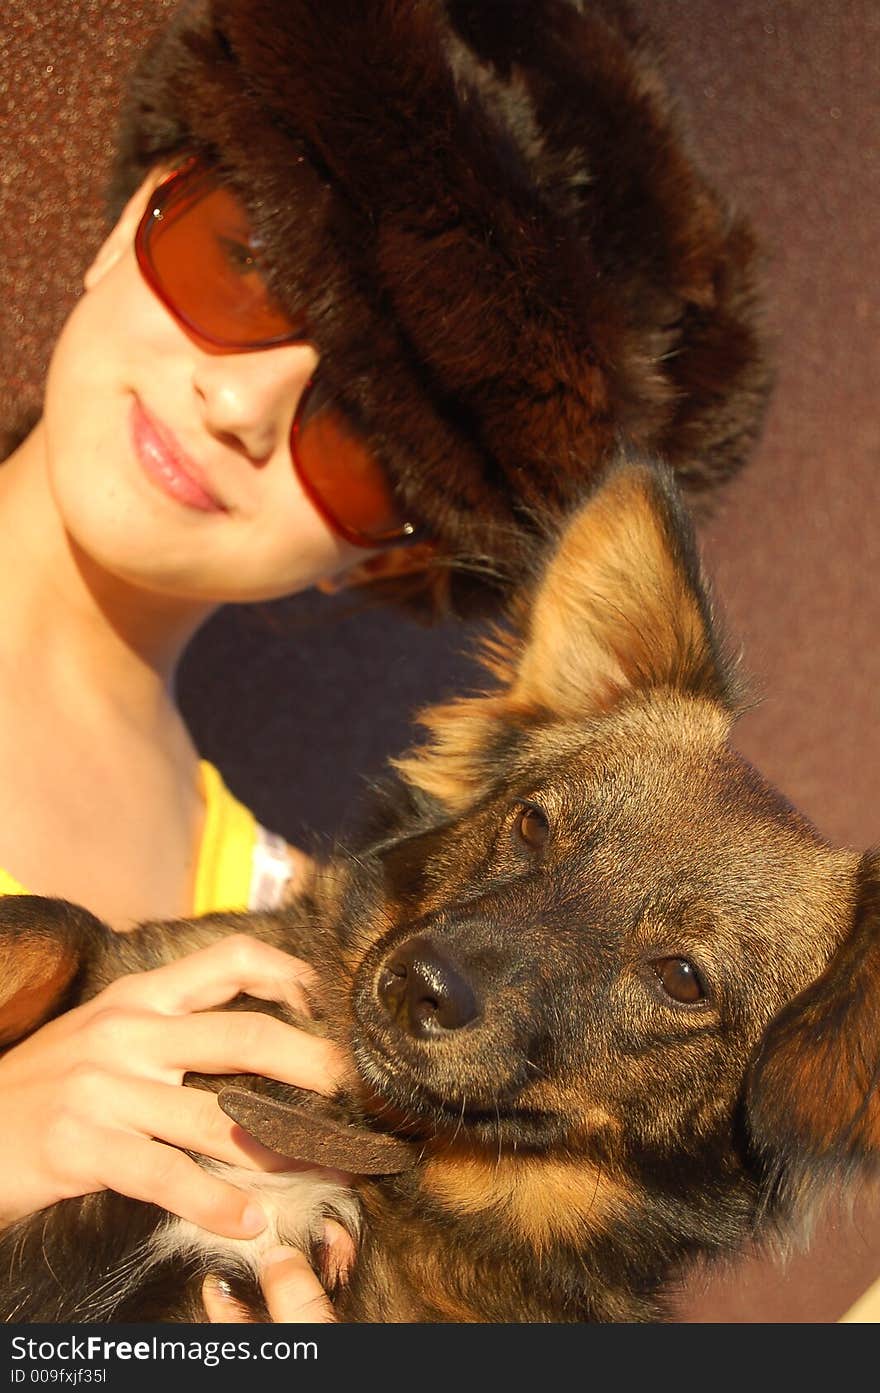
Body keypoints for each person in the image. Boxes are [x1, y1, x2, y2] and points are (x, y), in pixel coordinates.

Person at [0, 0, 769, 1319]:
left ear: (388, 559)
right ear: (131, 220)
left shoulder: (297, 948)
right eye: (231, 265)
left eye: (356, 444)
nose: (234, 405)